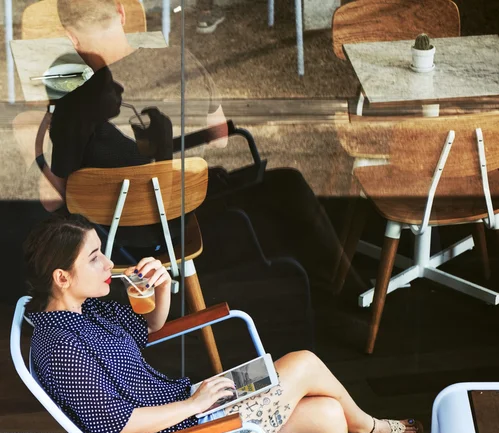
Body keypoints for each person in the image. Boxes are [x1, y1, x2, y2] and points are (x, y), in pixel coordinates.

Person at [24, 213, 424, 433]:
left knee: (327, 413)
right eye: (95, 257)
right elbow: (120, 425)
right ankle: (370, 432)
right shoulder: (61, 349)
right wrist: (196, 403)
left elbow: (149, 327)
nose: (109, 263)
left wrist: (162, 288)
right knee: (303, 363)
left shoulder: (84, 308)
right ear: (62, 277)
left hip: (194, 411)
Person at [47, 0, 344, 299]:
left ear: (71, 37)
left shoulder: (68, 93)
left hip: (116, 233)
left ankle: (327, 285)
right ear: (122, 12)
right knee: (287, 184)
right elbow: (220, 138)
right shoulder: (168, 56)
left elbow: (55, 198)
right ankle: (341, 289)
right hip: (180, 214)